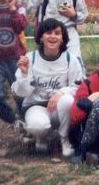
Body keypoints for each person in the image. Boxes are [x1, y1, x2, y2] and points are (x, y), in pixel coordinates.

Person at [11, 18, 84, 156]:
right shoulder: (30, 58)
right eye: (48, 33)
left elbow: (79, 87)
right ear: (41, 37)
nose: (53, 36)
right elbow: (21, 92)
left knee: (68, 100)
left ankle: (65, 140)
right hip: (36, 106)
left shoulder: (70, 59)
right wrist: (24, 74)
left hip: (59, 108)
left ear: (62, 38)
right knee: (38, 125)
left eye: (57, 33)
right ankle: (41, 137)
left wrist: (60, 93)